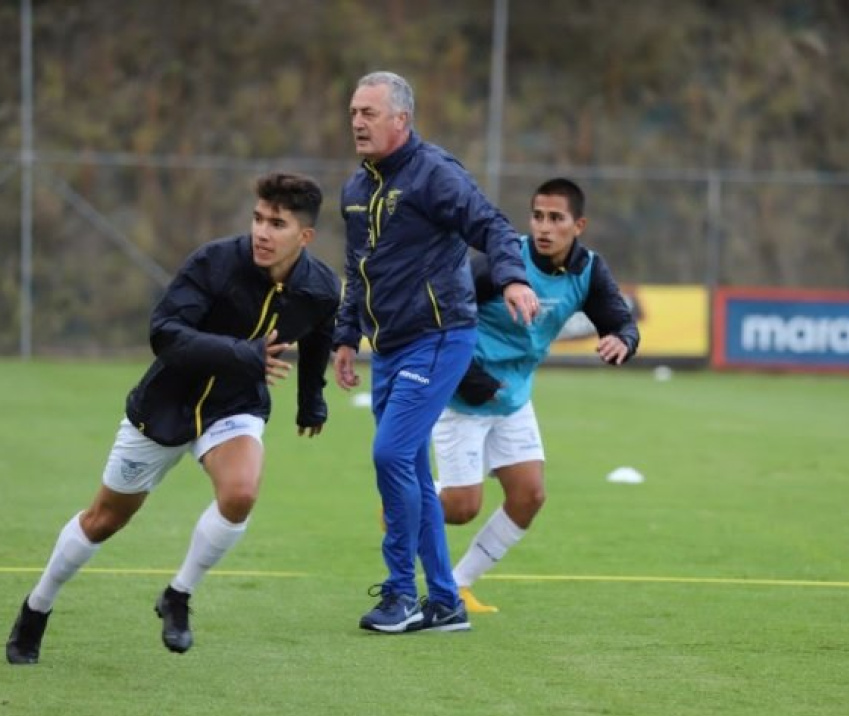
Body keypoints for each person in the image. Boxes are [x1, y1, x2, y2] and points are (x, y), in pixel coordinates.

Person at [5, 172, 342, 664]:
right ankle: (37, 607)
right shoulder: (215, 262)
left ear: (305, 236)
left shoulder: (321, 287)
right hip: (165, 404)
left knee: (240, 494)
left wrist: (312, 399)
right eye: (258, 219)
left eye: (277, 224)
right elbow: (164, 333)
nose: (262, 232)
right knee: (104, 520)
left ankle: (178, 595)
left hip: (234, 405)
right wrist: (242, 354)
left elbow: (318, 335)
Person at [332, 71, 539, 634]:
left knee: (391, 455)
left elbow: (492, 226)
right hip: (388, 347)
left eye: (369, 113)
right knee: (414, 471)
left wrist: (513, 278)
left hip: (441, 335)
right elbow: (356, 269)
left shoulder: (434, 173)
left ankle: (401, 593)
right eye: (353, 112)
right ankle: (445, 602)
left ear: (401, 119)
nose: (357, 122)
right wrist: (345, 336)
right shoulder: (355, 190)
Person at [432, 177, 640, 613]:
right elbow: (443, 318)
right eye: (537, 216)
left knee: (529, 496)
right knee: (462, 508)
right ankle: (405, 499)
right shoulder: (503, 261)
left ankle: (458, 584)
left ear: (578, 225)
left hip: (513, 399)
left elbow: (620, 321)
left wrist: (622, 340)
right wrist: (472, 380)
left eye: (556, 218)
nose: (544, 227)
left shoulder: (588, 270)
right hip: (462, 397)